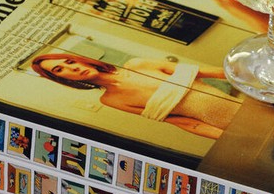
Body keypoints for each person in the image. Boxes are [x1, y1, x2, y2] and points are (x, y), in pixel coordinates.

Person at [28, 51, 242, 139]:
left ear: (79, 59)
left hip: (246, 103)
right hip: (228, 128)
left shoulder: (138, 65)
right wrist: (229, 140)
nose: (72, 68)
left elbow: (213, 72)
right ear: (62, 79)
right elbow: (186, 123)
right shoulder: (111, 100)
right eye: (60, 70)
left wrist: (259, 81)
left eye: (69, 61)